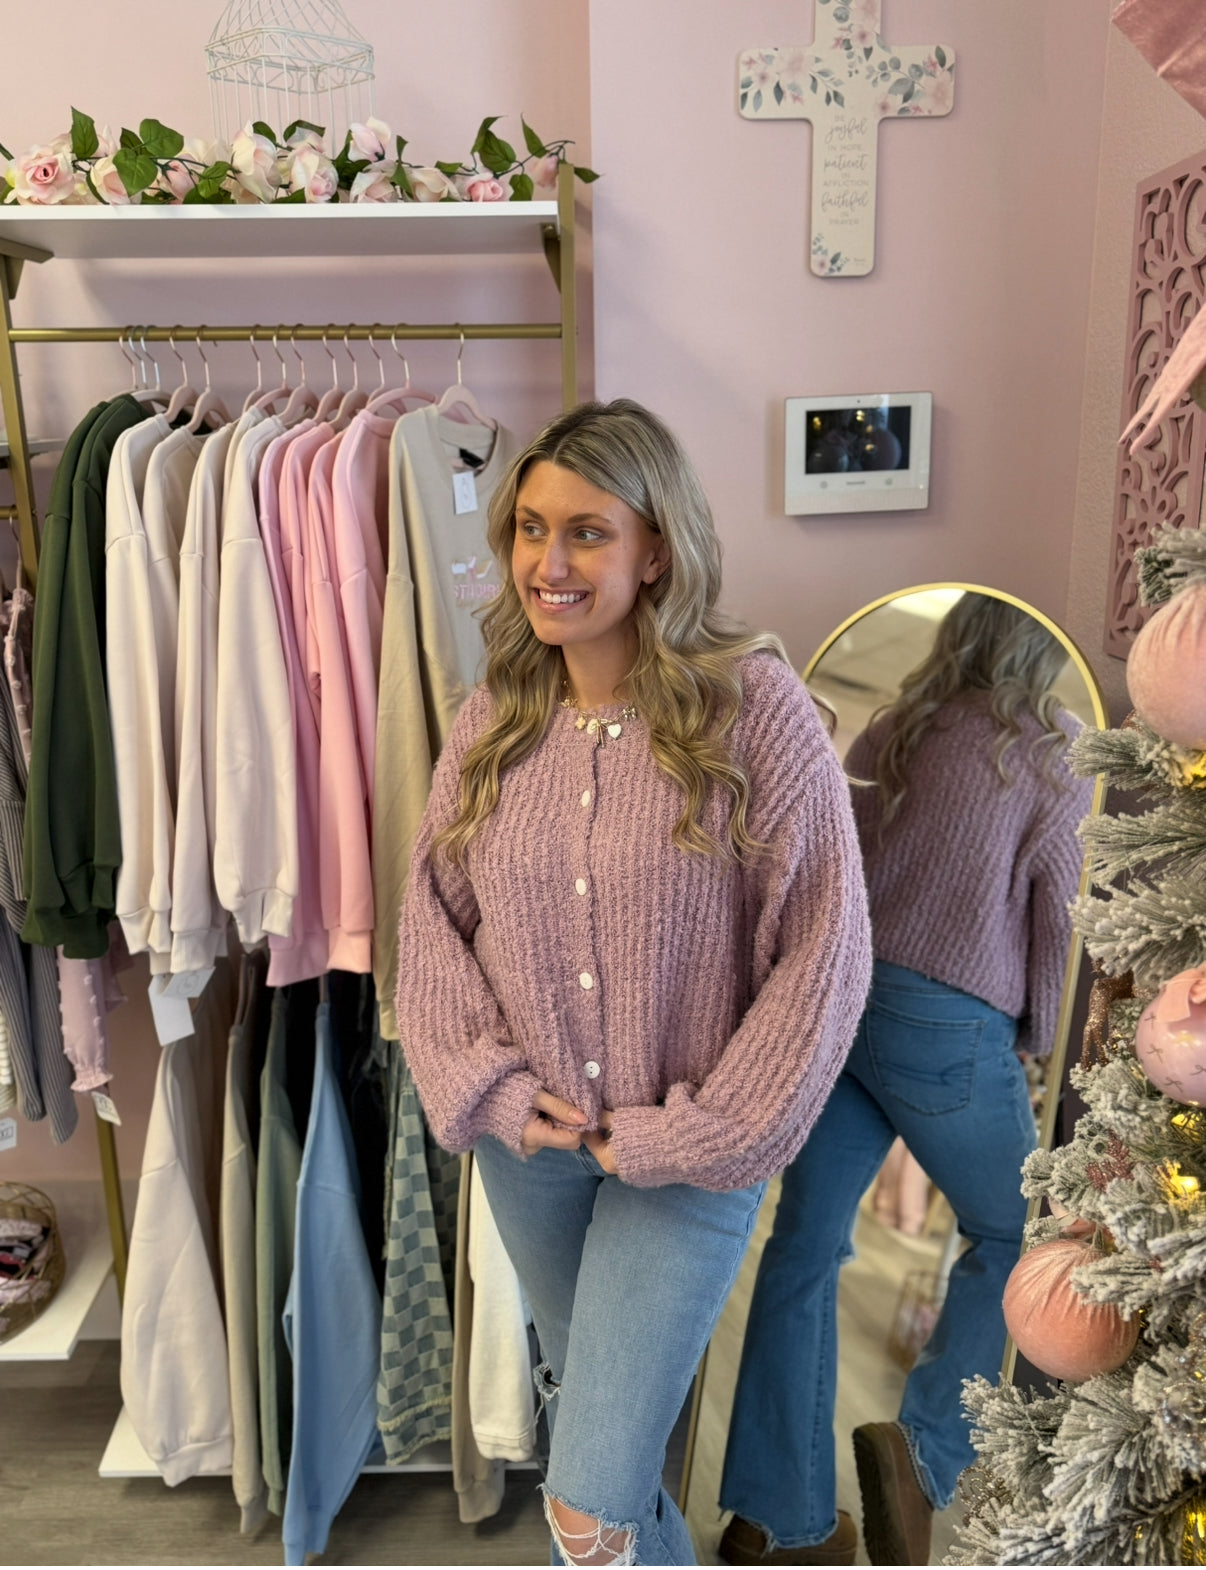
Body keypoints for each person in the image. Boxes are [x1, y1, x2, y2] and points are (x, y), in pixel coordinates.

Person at [394, 398, 872, 1566]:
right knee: (604, 1461)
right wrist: (495, 1090)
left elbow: (826, 950)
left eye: (588, 532)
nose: (548, 564)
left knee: (585, 1498)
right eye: (529, 529)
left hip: (694, 1158)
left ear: (657, 545)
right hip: (539, 1158)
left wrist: (707, 1130)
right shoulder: (494, 718)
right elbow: (429, 930)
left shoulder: (754, 709)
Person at [718, 593, 1094, 1568]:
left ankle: (775, 1515)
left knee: (802, 1242)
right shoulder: (1048, 749)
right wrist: (1043, 1039)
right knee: (1019, 1233)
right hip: (948, 1020)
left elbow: (833, 865)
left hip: (850, 1000)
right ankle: (922, 1459)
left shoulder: (901, 722)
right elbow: (1057, 918)